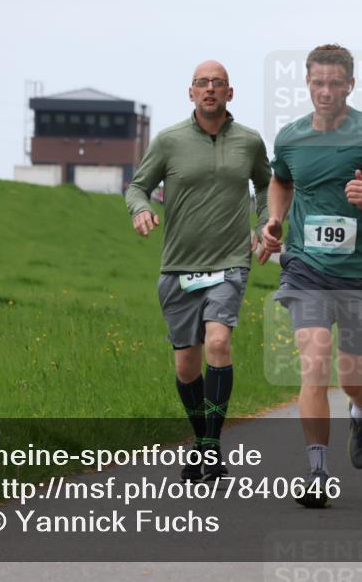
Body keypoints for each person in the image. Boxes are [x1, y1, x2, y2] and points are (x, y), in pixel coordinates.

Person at [262, 44, 362, 508]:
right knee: (314, 362)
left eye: (335, 83)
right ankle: (316, 472)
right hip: (306, 267)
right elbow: (281, 180)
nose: (325, 91)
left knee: (351, 375)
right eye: (317, 83)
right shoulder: (290, 137)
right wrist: (274, 221)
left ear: (350, 84)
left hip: (360, 272)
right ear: (306, 83)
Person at [126, 61, 272, 482]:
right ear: (190, 93)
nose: (210, 89)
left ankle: (210, 445)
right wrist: (140, 210)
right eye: (202, 83)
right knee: (186, 367)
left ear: (230, 92)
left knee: (219, 342)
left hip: (229, 263)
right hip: (178, 267)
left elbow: (266, 184)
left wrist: (264, 226)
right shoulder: (169, 141)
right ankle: (202, 440)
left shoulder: (248, 141)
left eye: (218, 83)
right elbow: (138, 186)